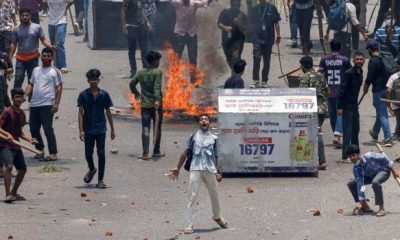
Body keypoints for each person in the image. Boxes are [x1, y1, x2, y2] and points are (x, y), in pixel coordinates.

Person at [169, 114, 228, 234]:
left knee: (214, 195)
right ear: (199, 123)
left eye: (206, 119)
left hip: (210, 169)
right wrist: (178, 168)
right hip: (195, 168)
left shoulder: (214, 138)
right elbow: (185, 153)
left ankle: (217, 217)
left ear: (209, 123)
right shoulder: (193, 137)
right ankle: (190, 224)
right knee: (193, 196)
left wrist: (217, 172)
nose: (204, 121)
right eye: (201, 120)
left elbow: (216, 156)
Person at [78, 69, 115, 189]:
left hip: (100, 129)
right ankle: (92, 168)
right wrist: (81, 130)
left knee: (101, 153)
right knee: (88, 154)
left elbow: (108, 112)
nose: (93, 82)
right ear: (88, 81)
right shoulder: (83, 95)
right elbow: (80, 113)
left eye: (95, 79)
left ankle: (100, 180)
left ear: (98, 80)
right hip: (88, 129)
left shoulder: (104, 95)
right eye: (91, 80)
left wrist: (112, 129)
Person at [24, 47, 63, 161]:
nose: (46, 58)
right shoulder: (36, 70)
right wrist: (24, 96)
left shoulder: (55, 71)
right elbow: (30, 84)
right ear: (41, 57)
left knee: (47, 129)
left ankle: (53, 153)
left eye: (48, 56)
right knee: (33, 129)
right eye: (44, 55)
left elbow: (59, 88)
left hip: (47, 104)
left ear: (51, 58)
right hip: (34, 104)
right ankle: (40, 150)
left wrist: (56, 103)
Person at [0, 88, 37, 203]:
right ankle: (7, 194)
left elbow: (20, 133)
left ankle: (13, 192)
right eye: (16, 97)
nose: (18, 99)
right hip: (4, 144)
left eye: (20, 97)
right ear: (12, 98)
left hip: (15, 145)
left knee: (22, 169)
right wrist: (7, 134)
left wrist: (30, 139)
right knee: (9, 167)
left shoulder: (22, 114)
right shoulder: (7, 112)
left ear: (23, 99)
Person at [346, 144, 400, 217]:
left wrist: (394, 171)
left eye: (353, 155)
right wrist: (361, 201)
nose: (352, 158)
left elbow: (385, 158)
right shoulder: (356, 169)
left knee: (375, 182)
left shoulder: (369, 156)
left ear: (358, 154)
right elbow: (361, 185)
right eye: (350, 156)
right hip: (370, 176)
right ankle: (364, 206)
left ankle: (381, 208)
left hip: (383, 171)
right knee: (352, 183)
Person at [129, 51, 164, 160]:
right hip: (156, 106)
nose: (159, 62)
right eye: (158, 60)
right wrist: (157, 100)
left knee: (145, 128)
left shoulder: (140, 72)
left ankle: (145, 153)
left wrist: (135, 92)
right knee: (157, 127)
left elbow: (131, 83)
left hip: (145, 106)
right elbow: (157, 87)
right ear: (154, 61)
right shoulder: (157, 72)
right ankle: (156, 151)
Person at [319, 39, 352, 148]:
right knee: (340, 113)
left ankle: (336, 135)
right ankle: (337, 136)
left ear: (330, 47)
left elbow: (320, 75)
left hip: (328, 90)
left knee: (333, 114)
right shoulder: (345, 60)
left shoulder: (324, 59)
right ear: (340, 47)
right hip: (341, 91)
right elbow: (350, 73)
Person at [170, 0, 213, 83]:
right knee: (177, 57)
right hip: (180, 33)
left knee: (193, 57)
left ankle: (193, 79)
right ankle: (175, 78)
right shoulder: (177, 3)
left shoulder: (194, 4)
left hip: (191, 33)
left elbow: (205, 3)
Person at [10, 8, 53, 89]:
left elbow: (43, 40)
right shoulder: (16, 30)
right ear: (20, 16)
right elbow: (13, 44)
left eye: (27, 15)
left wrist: (50, 46)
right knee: (18, 79)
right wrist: (10, 57)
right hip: (20, 59)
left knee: (32, 80)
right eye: (23, 16)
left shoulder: (37, 27)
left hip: (33, 59)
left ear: (30, 16)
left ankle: (32, 99)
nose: (25, 17)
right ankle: (16, 98)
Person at [298, 56, 329, 170]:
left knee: (316, 133)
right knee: (314, 133)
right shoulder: (321, 76)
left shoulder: (304, 77)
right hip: (322, 109)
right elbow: (327, 91)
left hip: (311, 109)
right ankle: (312, 158)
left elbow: (301, 94)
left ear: (302, 66)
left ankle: (322, 160)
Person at [363, 39, 393, 146]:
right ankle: (375, 132)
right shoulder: (384, 57)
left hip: (379, 90)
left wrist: (365, 88)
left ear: (370, 50)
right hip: (388, 89)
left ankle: (388, 138)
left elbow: (369, 77)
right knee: (380, 113)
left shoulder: (373, 60)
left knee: (383, 114)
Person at [337, 51, 365, 162]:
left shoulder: (360, 72)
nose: (359, 61)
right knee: (347, 131)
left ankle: (355, 154)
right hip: (347, 106)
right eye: (357, 59)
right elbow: (342, 90)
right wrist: (339, 106)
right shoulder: (349, 73)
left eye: (361, 59)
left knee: (356, 130)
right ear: (353, 60)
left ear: (363, 61)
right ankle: (345, 156)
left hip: (354, 106)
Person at [248, 0, 280, 88]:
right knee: (256, 58)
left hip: (268, 38)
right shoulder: (254, 9)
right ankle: (255, 80)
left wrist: (279, 35)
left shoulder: (272, 8)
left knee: (266, 60)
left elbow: (276, 22)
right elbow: (250, 22)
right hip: (257, 38)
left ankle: (264, 80)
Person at [121, 0, 149, 78]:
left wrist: (147, 21)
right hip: (131, 26)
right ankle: (133, 70)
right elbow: (123, 12)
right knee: (132, 50)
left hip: (141, 25)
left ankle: (145, 69)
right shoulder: (127, 1)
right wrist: (124, 26)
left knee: (144, 49)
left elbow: (142, 11)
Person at [217, 0, 247, 72]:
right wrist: (225, 28)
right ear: (231, 4)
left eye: (237, 5)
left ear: (239, 5)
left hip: (238, 41)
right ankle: (236, 72)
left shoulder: (242, 15)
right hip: (226, 41)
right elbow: (219, 24)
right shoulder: (225, 12)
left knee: (235, 59)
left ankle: (235, 76)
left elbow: (246, 29)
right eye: (234, 5)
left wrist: (240, 24)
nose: (235, 7)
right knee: (229, 58)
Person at [45, 0, 73, 73]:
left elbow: (71, 1)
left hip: (62, 21)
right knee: (53, 45)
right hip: (51, 22)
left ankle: (63, 65)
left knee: (59, 43)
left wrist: (66, 8)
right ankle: (56, 65)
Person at [386, 56, 400, 140]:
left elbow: (388, 91)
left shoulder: (394, 76)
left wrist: (389, 106)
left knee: (398, 120)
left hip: (397, 103)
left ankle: (397, 134)